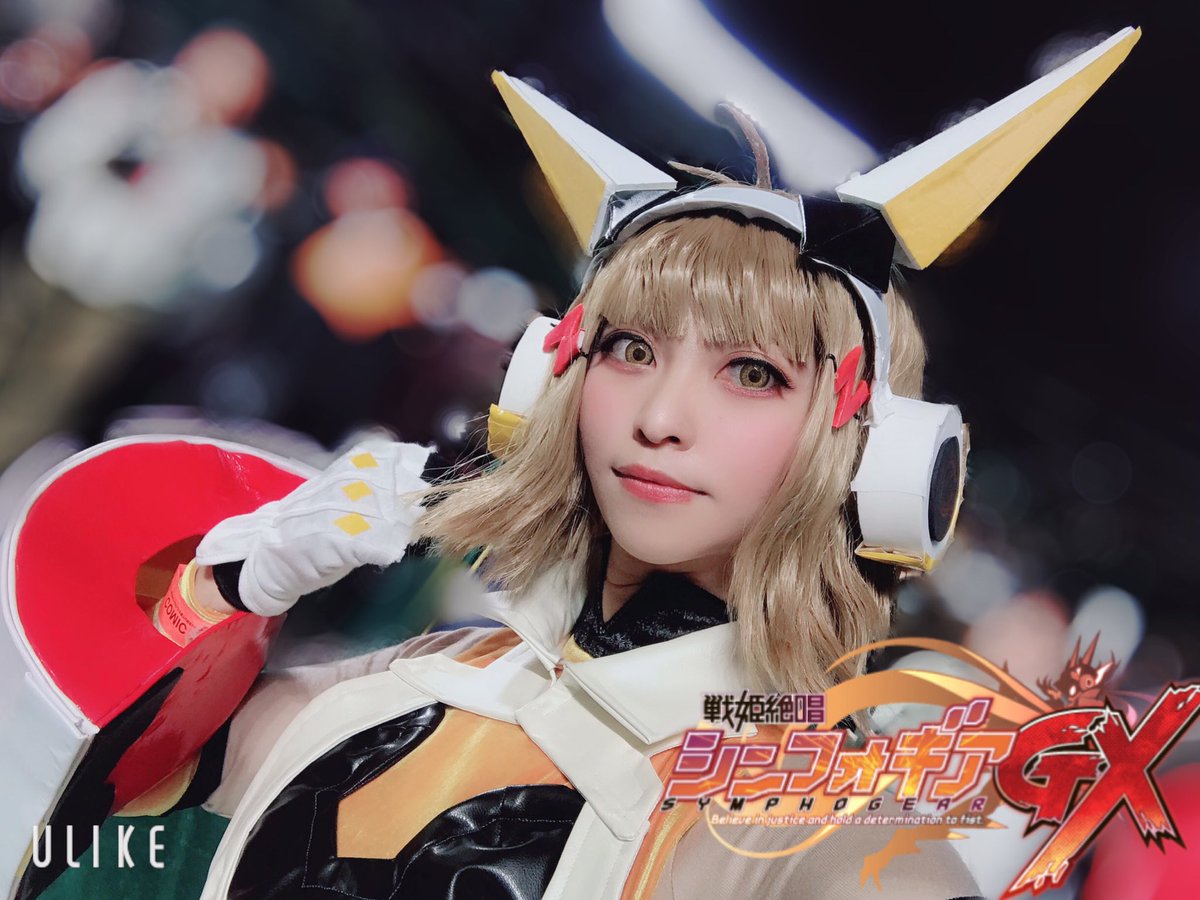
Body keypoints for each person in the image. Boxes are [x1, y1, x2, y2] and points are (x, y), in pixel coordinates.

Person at [16, 26, 1139, 900]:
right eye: (631, 349)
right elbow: (97, 840)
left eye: (752, 373)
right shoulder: (405, 685)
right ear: (548, 379)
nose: (660, 416)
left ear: (878, 459)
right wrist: (229, 595)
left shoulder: (831, 847)